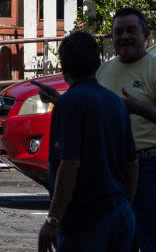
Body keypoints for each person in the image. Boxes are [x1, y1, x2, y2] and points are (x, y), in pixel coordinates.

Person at [38, 31, 137, 252]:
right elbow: (132, 164)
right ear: (98, 63)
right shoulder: (115, 102)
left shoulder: (69, 105)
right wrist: (125, 207)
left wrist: (53, 220)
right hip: (120, 215)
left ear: (64, 66)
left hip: (86, 220)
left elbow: (70, 164)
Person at [97, 8, 156, 252]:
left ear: (145, 35)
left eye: (131, 31)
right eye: (118, 32)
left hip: (147, 167)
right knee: (115, 241)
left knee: (150, 242)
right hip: (111, 168)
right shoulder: (104, 71)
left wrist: (138, 108)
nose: (124, 36)